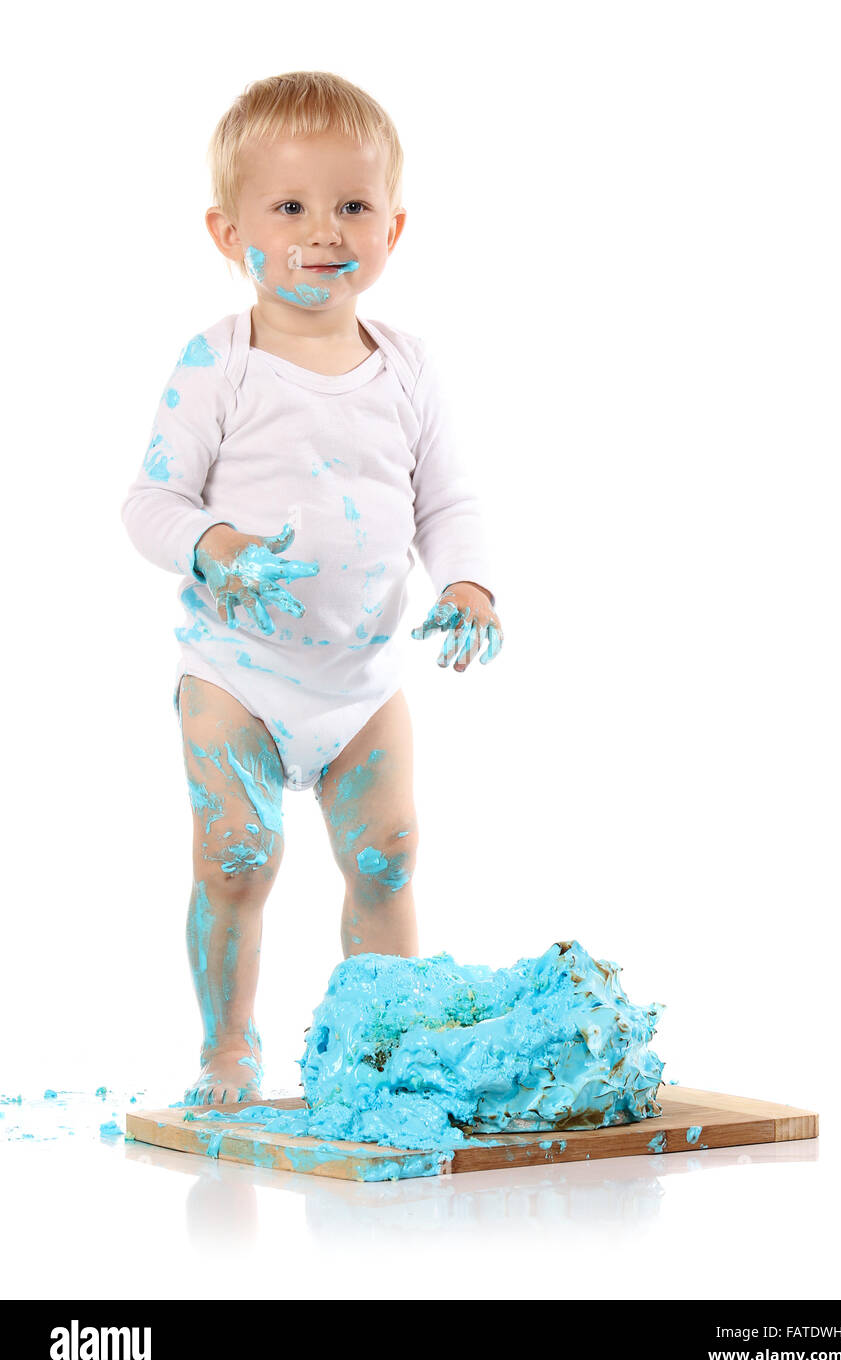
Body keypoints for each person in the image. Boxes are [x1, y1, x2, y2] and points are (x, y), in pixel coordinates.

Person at [121, 70, 504, 1106]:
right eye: (288, 208)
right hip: (236, 675)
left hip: (362, 680)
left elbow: (447, 500)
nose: (322, 230)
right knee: (236, 859)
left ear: (394, 226)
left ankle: (376, 1052)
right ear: (225, 229)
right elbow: (148, 503)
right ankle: (228, 1049)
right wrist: (215, 541)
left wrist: (467, 582)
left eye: (351, 206)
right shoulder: (219, 361)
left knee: (386, 858)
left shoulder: (407, 365)